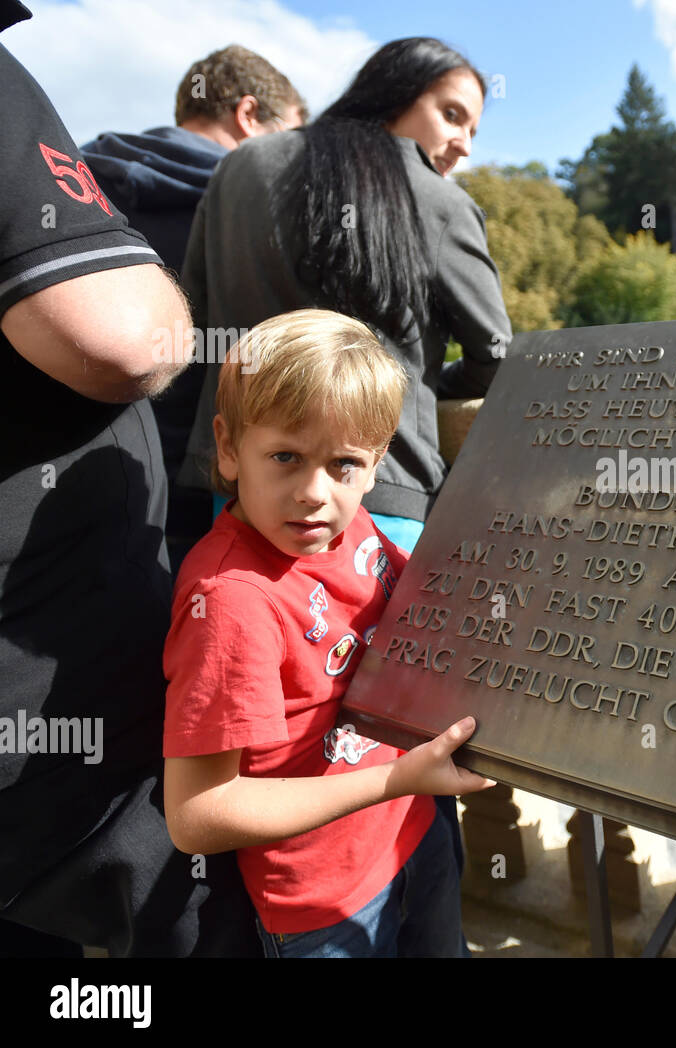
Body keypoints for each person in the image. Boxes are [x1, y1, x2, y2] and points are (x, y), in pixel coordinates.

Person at [0, 0, 260, 957]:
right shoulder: (249, 189)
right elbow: (120, 339)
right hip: (62, 704)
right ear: (247, 116)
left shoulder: (105, 162)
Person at [162, 309, 492, 957]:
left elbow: (419, 616)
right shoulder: (232, 601)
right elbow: (196, 815)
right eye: (285, 456)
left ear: (375, 466)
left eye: (343, 464)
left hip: (413, 832)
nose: (314, 493)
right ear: (228, 448)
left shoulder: (353, 528)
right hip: (326, 900)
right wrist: (397, 781)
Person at [178, 37, 512, 556]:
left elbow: (192, 327)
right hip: (376, 500)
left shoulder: (242, 166)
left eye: (472, 129)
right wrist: (417, 384)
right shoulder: (441, 203)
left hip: (237, 497)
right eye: (451, 115)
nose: (464, 144)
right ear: (396, 93)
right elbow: (496, 357)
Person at [81, 45, 305, 571]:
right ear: (249, 115)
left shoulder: (71, 178)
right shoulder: (261, 216)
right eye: (291, 135)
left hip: (49, 468)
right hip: (190, 490)